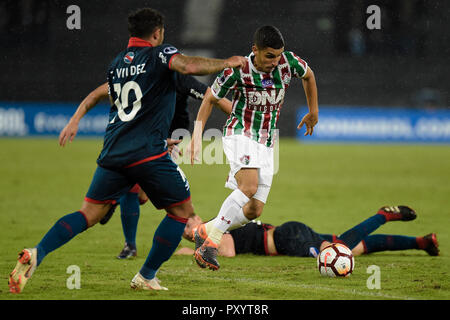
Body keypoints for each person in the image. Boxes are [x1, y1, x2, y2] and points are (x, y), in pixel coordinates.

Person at [8, 7, 246, 293]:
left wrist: (76, 119)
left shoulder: (117, 64)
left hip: (113, 153)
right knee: (182, 212)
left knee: (88, 214)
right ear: (157, 33)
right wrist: (228, 62)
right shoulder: (161, 55)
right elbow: (189, 66)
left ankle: (38, 252)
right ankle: (146, 275)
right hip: (147, 153)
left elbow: (117, 99)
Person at [188, 25, 319, 270]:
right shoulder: (237, 71)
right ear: (254, 50)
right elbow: (210, 99)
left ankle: (204, 230)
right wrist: (197, 135)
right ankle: (209, 244)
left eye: (278, 55)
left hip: (267, 142)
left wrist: (314, 111)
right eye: (270, 56)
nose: (275, 61)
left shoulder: (288, 63)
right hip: (240, 133)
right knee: (248, 187)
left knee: (253, 211)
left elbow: (309, 76)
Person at [62, 73, 232, 260]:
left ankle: (114, 196)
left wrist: (241, 117)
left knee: (141, 194)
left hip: (171, 139)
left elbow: (212, 95)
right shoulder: (140, 74)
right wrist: (75, 119)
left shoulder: (178, 77)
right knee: (134, 186)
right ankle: (130, 246)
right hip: (143, 138)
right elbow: (97, 93)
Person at [176, 206, 440, 258]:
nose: (188, 232)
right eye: (185, 232)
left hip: (284, 239)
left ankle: (381, 215)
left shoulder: (216, 225)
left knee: (338, 250)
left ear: (197, 216)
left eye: (187, 225)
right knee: (355, 248)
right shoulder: (217, 223)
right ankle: (421, 242)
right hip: (288, 234)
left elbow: (230, 251)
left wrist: (196, 251)